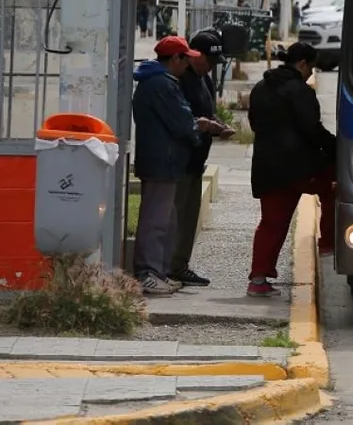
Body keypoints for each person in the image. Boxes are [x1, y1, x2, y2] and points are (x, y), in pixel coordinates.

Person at [131, 36, 225, 296]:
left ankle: (158, 272)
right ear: (175, 59)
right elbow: (181, 121)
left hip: (167, 161)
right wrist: (203, 126)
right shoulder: (161, 84)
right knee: (156, 220)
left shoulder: (163, 82)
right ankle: (148, 272)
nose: (187, 65)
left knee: (166, 221)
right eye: (185, 58)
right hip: (162, 161)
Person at [247, 42, 336, 298]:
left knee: (271, 223)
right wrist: (337, 148)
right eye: (311, 68)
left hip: (267, 168)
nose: (311, 73)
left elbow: (254, 124)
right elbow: (313, 131)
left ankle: (258, 278)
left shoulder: (261, 88)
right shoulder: (300, 91)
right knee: (336, 187)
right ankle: (328, 245)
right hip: (300, 169)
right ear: (302, 64)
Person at [169, 29, 233, 287]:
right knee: (175, 215)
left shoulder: (205, 80)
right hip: (179, 159)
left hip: (197, 160)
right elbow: (181, 119)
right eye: (207, 61)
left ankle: (180, 265)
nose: (210, 68)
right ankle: (168, 266)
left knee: (189, 217)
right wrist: (206, 126)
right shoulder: (179, 78)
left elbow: (208, 112)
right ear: (194, 55)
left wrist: (219, 124)